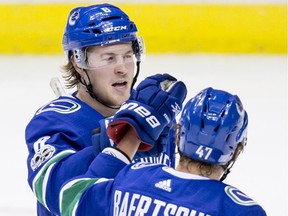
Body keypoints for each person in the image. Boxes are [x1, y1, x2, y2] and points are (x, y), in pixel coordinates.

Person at [25, 3, 187, 215]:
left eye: (128, 55)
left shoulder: (154, 116)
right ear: (77, 62)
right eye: (108, 58)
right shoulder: (53, 121)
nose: (122, 68)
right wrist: (123, 134)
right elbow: (57, 195)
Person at [59, 87, 267, 216]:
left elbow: (71, 199)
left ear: (178, 136)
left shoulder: (131, 178)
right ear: (235, 152)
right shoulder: (240, 210)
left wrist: (128, 140)